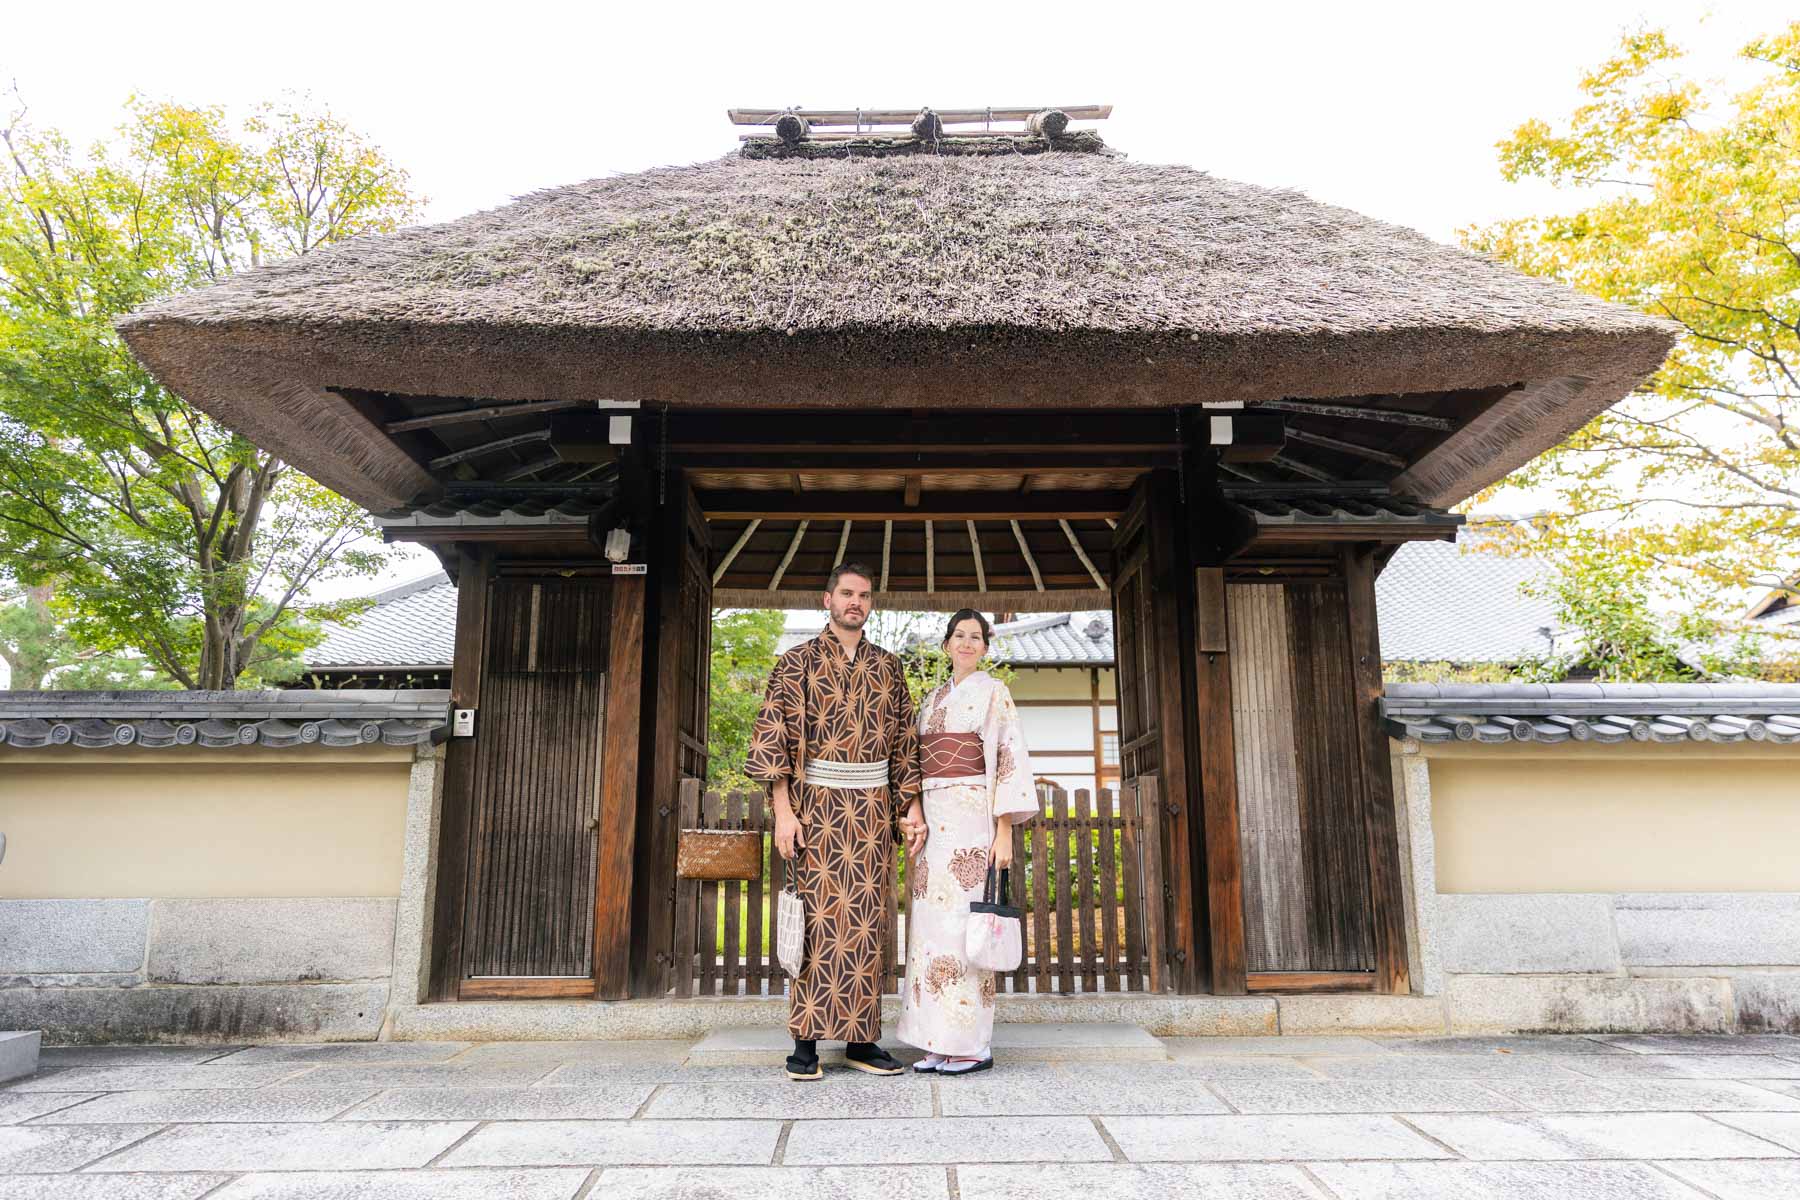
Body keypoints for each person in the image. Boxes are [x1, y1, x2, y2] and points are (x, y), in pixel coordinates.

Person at [746, 562, 925, 1082]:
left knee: (867, 925)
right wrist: (784, 813)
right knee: (816, 924)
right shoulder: (796, 662)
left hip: (871, 813)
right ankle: (804, 1042)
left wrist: (910, 806)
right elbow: (774, 736)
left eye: (864, 595)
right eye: (847, 593)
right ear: (827, 600)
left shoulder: (888, 667)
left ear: (871, 604)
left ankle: (861, 1040)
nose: (855, 602)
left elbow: (904, 743)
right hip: (815, 811)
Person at [895, 609, 1037, 1076]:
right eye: (959, 635)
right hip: (935, 823)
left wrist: (1004, 830)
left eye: (976, 637)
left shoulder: (995, 693)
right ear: (946, 644)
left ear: (985, 648)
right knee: (930, 931)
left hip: (974, 821)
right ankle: (936, 1040)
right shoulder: (932, 699)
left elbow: (1008, 758)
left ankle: (973, 1046)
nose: (967, 643)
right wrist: (914, 810)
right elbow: (917, 760)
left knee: (967, 929)